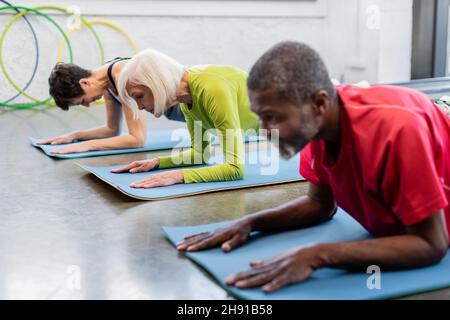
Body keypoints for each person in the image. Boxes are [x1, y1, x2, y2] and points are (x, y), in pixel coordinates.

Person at [177, 41, 450, 293]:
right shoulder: (317, 127)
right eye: (260, 117)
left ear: (319, 103)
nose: (264, 130)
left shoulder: (397, 130)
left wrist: (319, 254)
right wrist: (250, 223)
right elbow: (319, 204)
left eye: (272, 117)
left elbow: (431, 243)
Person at [112, 49, 260, 189]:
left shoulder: (211, 88)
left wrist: (178, 175)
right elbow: (201, 155)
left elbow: (234, 169)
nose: (140, 107)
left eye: (140, 96)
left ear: (156, 82)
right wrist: (156, 163)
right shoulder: (186, 101)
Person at [41, 58, 185, 154]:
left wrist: (86, 146)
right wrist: (74, 136)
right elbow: (112, 130)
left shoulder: (123, 75)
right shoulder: (107, 84)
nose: (87, 105)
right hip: (181, 112)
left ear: (85, 83)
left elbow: (137, 139)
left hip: (190, 104)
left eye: (82, 100)